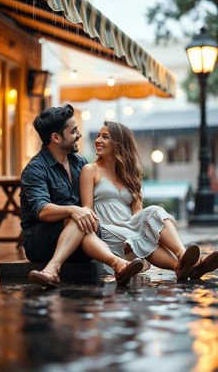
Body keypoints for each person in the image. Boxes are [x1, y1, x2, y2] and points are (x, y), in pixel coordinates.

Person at [20, 105, 144, 287]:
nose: (79, 135)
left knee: (82, 219)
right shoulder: (35, 169)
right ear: (56, 137)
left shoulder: (80, 163)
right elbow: (42, 211)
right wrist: (73, 210)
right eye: (73, 131)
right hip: (41, 241)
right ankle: (53, 269)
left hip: (84, 237)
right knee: (76, 218)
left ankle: (120, 265)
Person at [79, 121, 218, 280]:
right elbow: (87, 209)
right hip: (106, 229)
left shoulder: (130, 174)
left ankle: (181, 261)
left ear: (119, 142)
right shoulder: (90, 170)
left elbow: (138, 212)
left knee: (153, 213)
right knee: (135, 236)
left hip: (129, 224)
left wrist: (147, 230)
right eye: (98, 136)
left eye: (105, 137)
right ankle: (194, 264)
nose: (98, 140)